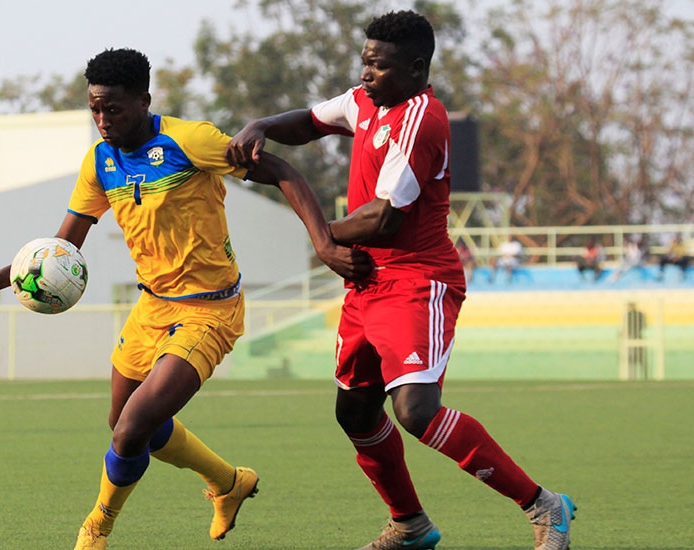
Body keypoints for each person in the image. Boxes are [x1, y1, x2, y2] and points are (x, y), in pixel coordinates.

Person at [0, 48, 371, 550]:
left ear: (144, 100)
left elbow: (283, 170)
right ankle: (229, 482)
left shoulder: (190, 140)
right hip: (153, 306)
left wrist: (322, 242)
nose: (103, 120)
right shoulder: (100, 160)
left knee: (130, 429)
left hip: (210, 310)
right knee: (124, 424)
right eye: (95, 109)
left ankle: (96, 529)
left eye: (114, 109)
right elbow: (65, 243)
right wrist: (0, 279)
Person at [227, 10, 576, 550]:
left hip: (416, 280)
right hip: (366, 282)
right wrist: (264, 126)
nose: (367, 75)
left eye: (379, 67)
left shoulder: (421, 120)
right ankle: (410, 525)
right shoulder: (367, 101)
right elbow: (312, 122)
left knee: (416, 410)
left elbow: (383, 218)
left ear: (415, 69)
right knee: (355, 411)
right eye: (365, 63)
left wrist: (321, 238)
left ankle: (544, 506)